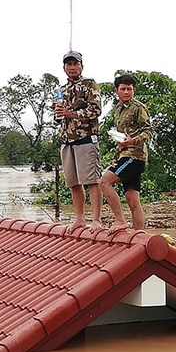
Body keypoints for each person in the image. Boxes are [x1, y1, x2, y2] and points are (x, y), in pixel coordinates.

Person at [54, 51, 103, 231]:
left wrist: (71, 113)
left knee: (91, 180)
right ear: (64, 67)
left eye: (75, 64)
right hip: (66, 140)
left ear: (81, 66)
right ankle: (80, 218)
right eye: (68, 64)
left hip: (86, 138)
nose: (72, 67)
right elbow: (57, 118)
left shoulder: (90, 84)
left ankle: (96, 219)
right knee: (73, 182)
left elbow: (96, 110)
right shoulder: (60, 90)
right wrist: (58, 112)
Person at [99, 74, 153, 233]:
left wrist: (132, 141)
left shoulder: (138, 108)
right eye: (123, 89)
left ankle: (120, 221)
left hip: (134, 156)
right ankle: (139, 234)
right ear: (117, 91)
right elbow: (122, 136)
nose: (126, 92)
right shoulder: (117, 110)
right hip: (124, 155)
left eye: (129, 89)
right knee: (132, 199)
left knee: (104, 182)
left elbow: (149, 131)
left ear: (134, 90)